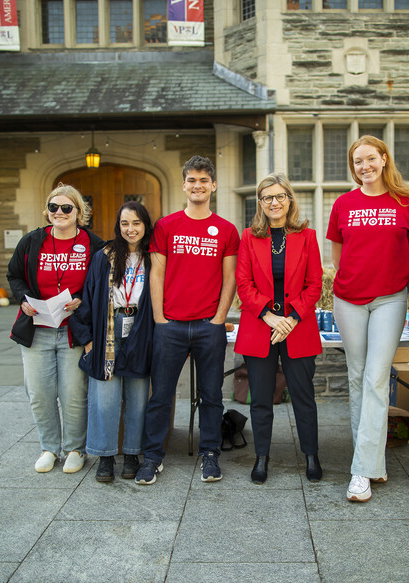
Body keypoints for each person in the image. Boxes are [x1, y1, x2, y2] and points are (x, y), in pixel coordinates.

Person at [326, 135, 409, 502]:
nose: (364, 167)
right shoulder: (343, 204)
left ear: (384, 159)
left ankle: (361, 472)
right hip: (348, 300)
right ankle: (371, 463)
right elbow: (339, 257)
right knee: (356, 377)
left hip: (390, 299)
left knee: (375, 378)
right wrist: (356, 282)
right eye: (357, 162)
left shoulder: (408, 205)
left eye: (370, 159)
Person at [135, 155, 240, 485]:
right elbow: (157, 273)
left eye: (203, 180)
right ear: (184, 185)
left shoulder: (226, 230)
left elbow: (230, 278)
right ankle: (153, 456)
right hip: (171, 326)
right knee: (161, 396)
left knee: (212, 395)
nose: (197, 186)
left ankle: (209, 453)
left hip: (209, 325)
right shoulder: (167, 225)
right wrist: (160, 319)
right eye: (192, 180)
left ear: (213, 185)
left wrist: (219, 318)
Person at [7, 183, 103, 474]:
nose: (58, 213)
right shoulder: (31, 241)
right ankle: (49, 447)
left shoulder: (93, 244)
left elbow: (100, 283)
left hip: (74, 330)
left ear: (78, 211)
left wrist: (81, 300)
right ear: (47, 210)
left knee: (74, 393)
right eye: (53, 207)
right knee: (39, 392)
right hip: (37, 328)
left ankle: (75, 448)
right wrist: (23, 299)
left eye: (66, 208)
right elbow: (15, 276)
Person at [235, 173, 323, 484]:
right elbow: (243, 285)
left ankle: (311, 454)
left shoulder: (307, 237)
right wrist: (270, 317)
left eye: (280, 196)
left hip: (297, 327)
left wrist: (291, 319)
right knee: (260, 397)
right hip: (261, 327)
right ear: (260, 203)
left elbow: (314, 285)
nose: (274, 202)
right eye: (267, 197)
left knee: (303, 395)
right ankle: (261, 456)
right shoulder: (249, 237)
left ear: (289, 200)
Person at [69, 201, 153, 483]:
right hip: (109, 328)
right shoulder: (103, 256)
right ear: (118, 226)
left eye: (136, 223)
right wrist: (88, 340)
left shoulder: (154, 256)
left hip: (140, 329)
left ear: (145, 225)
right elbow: (89, 297)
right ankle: (105, 456)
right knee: (104, 398)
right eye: (125, 224)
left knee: (138, 397)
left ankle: (131, 453)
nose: (131, 229)